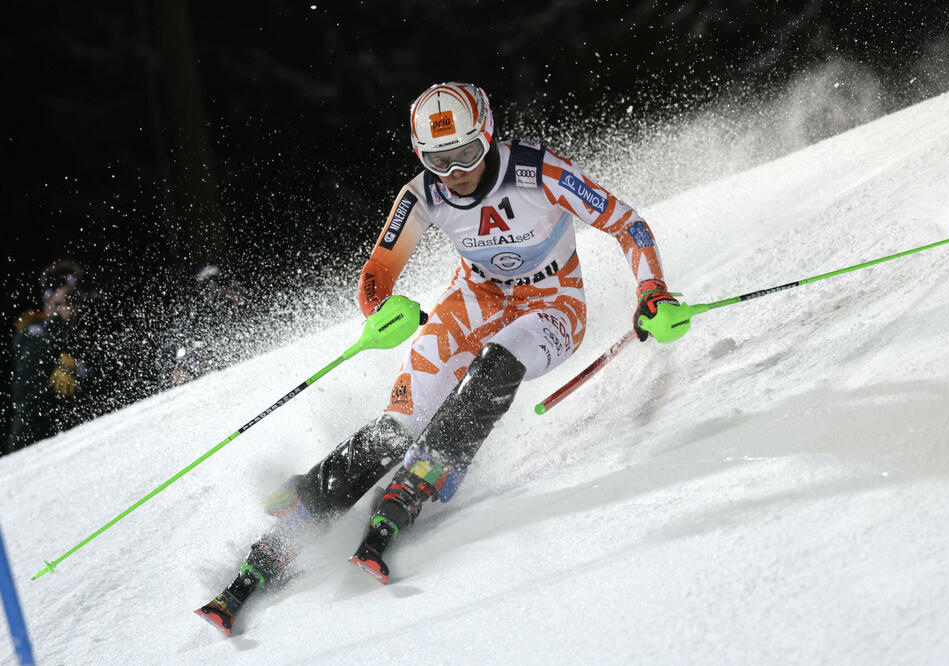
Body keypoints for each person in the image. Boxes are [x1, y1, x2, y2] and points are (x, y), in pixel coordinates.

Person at [197, 82, 690, 634]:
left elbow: (628, 224)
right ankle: (314, 497)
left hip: (553, 306)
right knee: (400, 425)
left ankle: (425, 476)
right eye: (437, 159)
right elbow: (377, 270)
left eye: (466, 155)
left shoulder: (540, 172)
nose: (454, 172)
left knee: (498, 363)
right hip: (474, 301)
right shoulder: (421, 194)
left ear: (489, 137)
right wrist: (381, 308)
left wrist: (653, 292)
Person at [5, 260, 101, 454]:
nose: (74, 307)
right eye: (69, 300)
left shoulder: (83, 338)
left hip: (73, 441)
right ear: (51, 303)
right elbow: (26, 393)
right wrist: (58, 323)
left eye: (77, 299)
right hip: (35, 444)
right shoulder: (34, 333)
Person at [159, 263, 244, 388]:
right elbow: (185, 334)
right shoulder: (197, 306)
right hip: (201, 349)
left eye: (216, 285)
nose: (216, 289)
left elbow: (238, 301)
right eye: (210, 286)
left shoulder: (228, 303)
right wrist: (180, 365)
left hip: (224, 346)